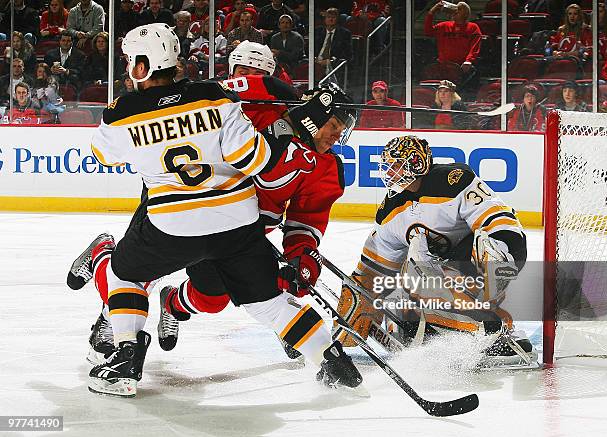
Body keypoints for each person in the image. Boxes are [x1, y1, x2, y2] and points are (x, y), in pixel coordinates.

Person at [66, 23, 362, 397]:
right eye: (243, 72)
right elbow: (255, 157)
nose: (247, 79)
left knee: (133, 272)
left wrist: (301, 255)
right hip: (235, 218)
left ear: (140, 67)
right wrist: (281, 130)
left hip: (179, 214)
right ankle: (332, 359)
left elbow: (103, 154)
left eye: (257, 74)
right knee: (268, 303)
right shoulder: (220, 100)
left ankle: (128, 348)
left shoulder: (124, 111)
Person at [335, 135, 534, 367]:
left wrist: (500, 252)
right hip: (437, 275)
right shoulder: (389, 211)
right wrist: (359, 297)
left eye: (396, 165)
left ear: (416, 164)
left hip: (469, 264)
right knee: (411, 272)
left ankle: (496, 327)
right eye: (388, 166)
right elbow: (373, 268)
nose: (389, 172)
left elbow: (500, 222)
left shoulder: (454, 181)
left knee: (487, 247)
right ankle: (439, 327)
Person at [424, 1, 481, 89]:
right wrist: (432, 12)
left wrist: (469, 60)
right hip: (443, 67)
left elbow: (475, 46)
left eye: (459, 10)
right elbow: (428, 31)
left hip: (462, 67)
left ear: (465, 13)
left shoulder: (473, 27)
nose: (455, 11)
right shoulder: (444, 25)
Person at [314, 8, 353, 77]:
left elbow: (347, 53)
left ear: (337, 19)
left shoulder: (344, 33)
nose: (330, 19)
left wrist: (330, 61)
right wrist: (314, 58)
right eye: (328, 17)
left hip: (333, 63)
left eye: (333, 17)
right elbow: (310, 48)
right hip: (316, 61)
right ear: (325, 19)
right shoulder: (317, 31)